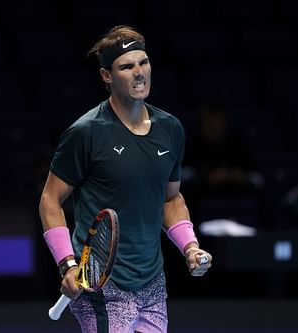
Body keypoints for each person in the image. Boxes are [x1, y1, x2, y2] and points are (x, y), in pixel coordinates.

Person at [39, 25, 212, 332]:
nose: (138, 72)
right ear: (107, 76)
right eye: (127, 66)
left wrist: (190, 247)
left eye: (143, 63)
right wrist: (67, 263)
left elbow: (171, 199)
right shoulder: (86, 132)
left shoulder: (170, 129)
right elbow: (50, 201)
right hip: (100, 283)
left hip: (152, 282)